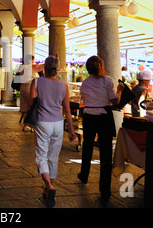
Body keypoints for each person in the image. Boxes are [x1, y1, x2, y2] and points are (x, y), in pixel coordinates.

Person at [28, 56, 77, 207]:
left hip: (43, 122)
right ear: (57, 69)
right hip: (58, 123)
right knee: (53, 157)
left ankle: (49, 185)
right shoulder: (63, 85)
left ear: (45, 68)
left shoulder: (36, 82)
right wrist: (71, 130)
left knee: (41, 155)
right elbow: (67, 110)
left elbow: (31, 103)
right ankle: (47, 189)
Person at [78, 55, 124, 199]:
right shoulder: (107, 80)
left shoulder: (84, 83)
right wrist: (120, 90)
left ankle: (84, 175)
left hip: (89, 116)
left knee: (87, 146)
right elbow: (115, 102)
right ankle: (105, 189)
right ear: (101, 66)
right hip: (104, 116)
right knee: (105, 153)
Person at [18, 54, 45, 130]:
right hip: (30, 88)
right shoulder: (31, 67)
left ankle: (26, 125)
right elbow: (43, 66)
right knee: (32, 106)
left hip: (23, 87)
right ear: (30, 60)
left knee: (25, 107)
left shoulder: (22, 67)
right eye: (33, 60)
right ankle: (32, 125)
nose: (34, 61)